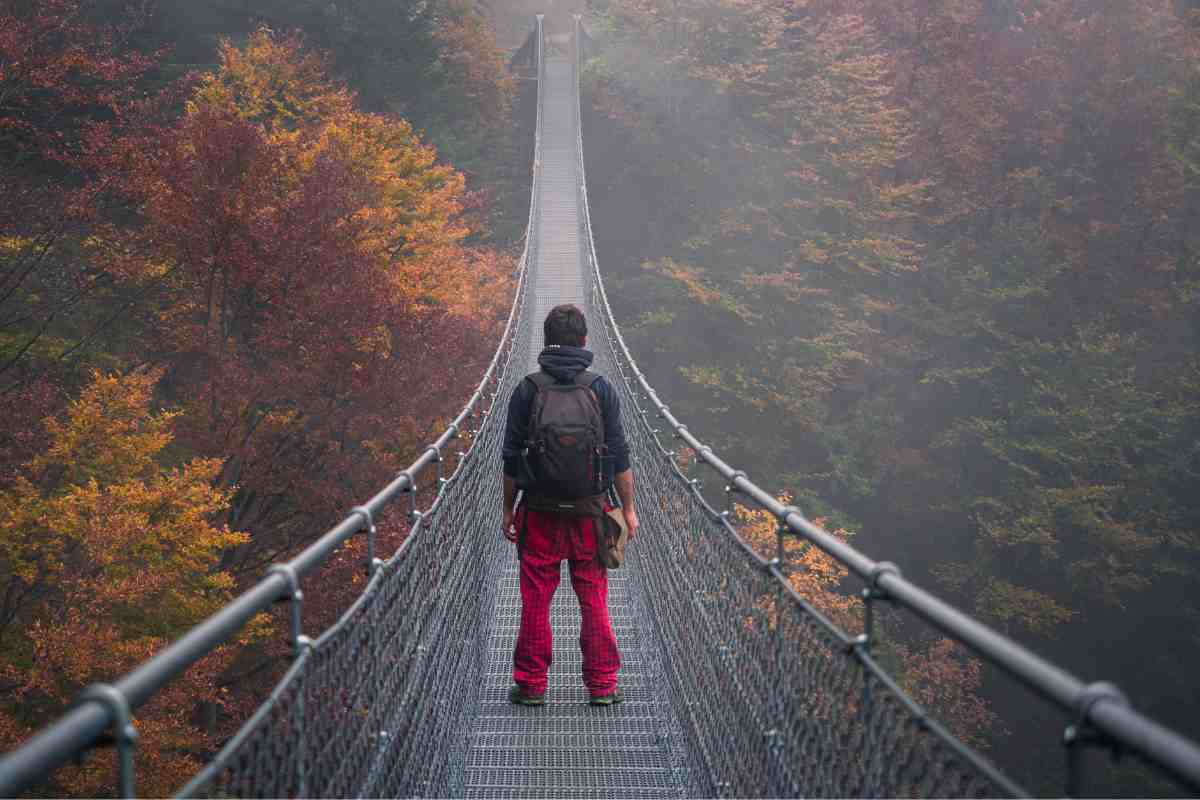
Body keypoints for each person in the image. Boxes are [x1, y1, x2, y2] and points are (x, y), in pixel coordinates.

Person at [501, 304, 639, 706]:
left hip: (539, 514)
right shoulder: (601, 389)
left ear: (546, 341)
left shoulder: (528, 389)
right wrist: (628, 510)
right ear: (584, 341)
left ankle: (530, 686)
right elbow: (620, 456)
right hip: (590, 514)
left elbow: (511, 458)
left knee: (535, 601)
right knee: (594, 599)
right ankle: (602, 687)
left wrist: (508, 509)